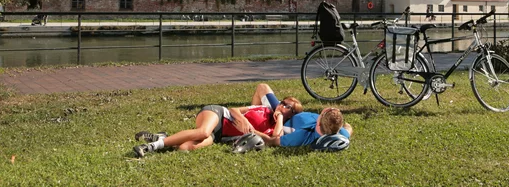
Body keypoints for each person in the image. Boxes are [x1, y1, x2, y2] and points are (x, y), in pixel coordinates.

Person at [133, 92, 303, 158]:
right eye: (282, 102)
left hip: (220, 136)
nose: (281, 106)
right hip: (219, 114)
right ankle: (151, 146)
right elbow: (234, 109)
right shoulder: (262, 108)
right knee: (202, 132)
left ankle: (165, 138)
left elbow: (274, 138)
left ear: (292, 114)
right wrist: (243, 120)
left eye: (288, 106)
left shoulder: (272, 129)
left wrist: (280, 118)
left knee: (186, 147)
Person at [255, 106, 353, 147]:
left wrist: (250, 130)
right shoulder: (341, 133)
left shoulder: (302, 135)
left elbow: (271, 140)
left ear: (318, 123)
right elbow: (349, 128)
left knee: (263, 88)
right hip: (295, 111)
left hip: (282, 115)